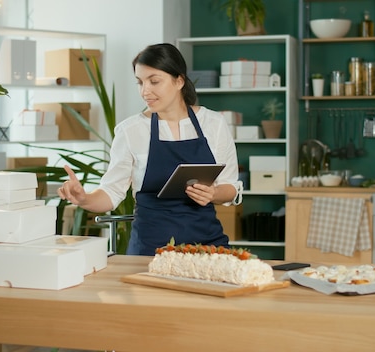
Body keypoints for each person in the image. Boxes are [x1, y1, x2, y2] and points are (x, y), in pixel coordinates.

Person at [58, 43, 242, 256]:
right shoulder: (130, 130)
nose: (145, 91)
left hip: (207, 246)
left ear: (179, 80)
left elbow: (230, 186)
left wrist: (213, 193)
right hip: (150, 249)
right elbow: (111, 192)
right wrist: (84, 198)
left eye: (154, 81)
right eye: (140, 82)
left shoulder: (214, 123)